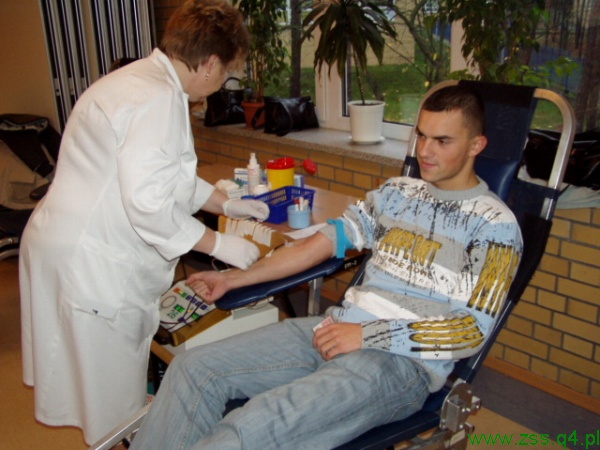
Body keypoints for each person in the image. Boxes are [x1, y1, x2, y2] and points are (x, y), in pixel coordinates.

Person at [130, 85, 524, 450]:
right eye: (421, 135)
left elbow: (471, 331)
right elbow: (319, 243)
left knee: (250, 429)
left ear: (476, 145)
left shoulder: (497, 227)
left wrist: (368, 334)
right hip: (333, 329)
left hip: (398, 365)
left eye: (442, 140)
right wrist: (236, 277)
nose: (425, 151)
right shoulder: (397, 193)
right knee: (193, 369)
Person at [18, 0, 268, 444]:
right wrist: (218, 244)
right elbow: (149, 202)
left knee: (98, 388)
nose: (221, 84)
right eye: (227, 73)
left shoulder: (144, 81)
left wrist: (226, 204)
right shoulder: (156, 98)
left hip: (69, 245)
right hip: (95, 263)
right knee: (112, 404)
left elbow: (167, 175)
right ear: (211, 63)